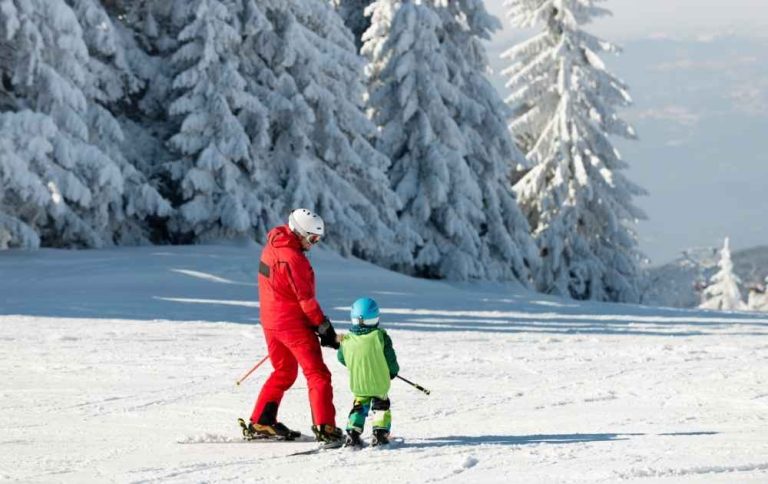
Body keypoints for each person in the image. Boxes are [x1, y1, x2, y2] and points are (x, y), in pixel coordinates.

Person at [243, 208, 343, 444]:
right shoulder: (294, 259)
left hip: (271, 322)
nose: (314, 243)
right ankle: (325, 427)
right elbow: (306, 300)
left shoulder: (272, 246)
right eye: (312, 238)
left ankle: (262, 421)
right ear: (299, 233)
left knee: (284, 372)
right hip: (292, 325)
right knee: (317, 374)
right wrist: (323, 326)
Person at [337, 297, 399, 447]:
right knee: (381, 407)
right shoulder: (380, 336)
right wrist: (392, 372)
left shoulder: (346, 339)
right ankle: (380, 433)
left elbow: (342, 358)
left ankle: (353, 432)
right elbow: (390, 359)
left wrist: (357, 364)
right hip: (379, 383)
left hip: (359, 383)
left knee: (359, 406)